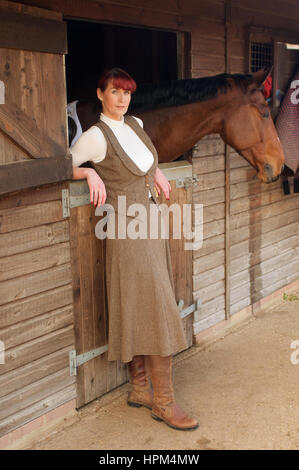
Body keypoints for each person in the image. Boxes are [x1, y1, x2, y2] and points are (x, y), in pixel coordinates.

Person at [70, 68, 198, 431]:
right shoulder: (96, 136)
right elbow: (63, 163)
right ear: (100, 94)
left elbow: (143, 161)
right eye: (114, 92)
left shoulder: (137, 123)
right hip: (126, 231)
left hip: (151, 227)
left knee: (142, 304)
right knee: (157, 307)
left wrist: (154, 171)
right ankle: (164, 402)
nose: (122, 99)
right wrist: (88, 174)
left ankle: (141, 389)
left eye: (127, 92)